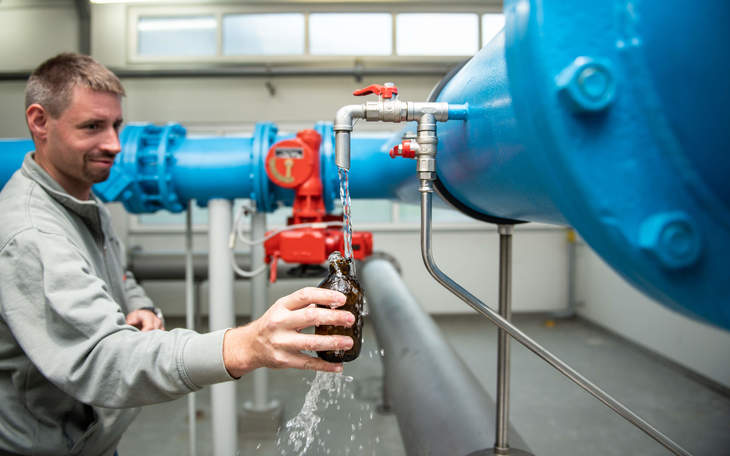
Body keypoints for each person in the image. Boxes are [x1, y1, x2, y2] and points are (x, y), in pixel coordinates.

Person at [0, 53, 354, 456]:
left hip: (87, 441)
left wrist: (139, 306)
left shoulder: (81, 199)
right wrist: (244, 345)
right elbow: (104, 359)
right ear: (39, 121)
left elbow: (117, 274)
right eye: (92, 127)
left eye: (116, 125)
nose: (114, 144)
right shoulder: (32, 233)